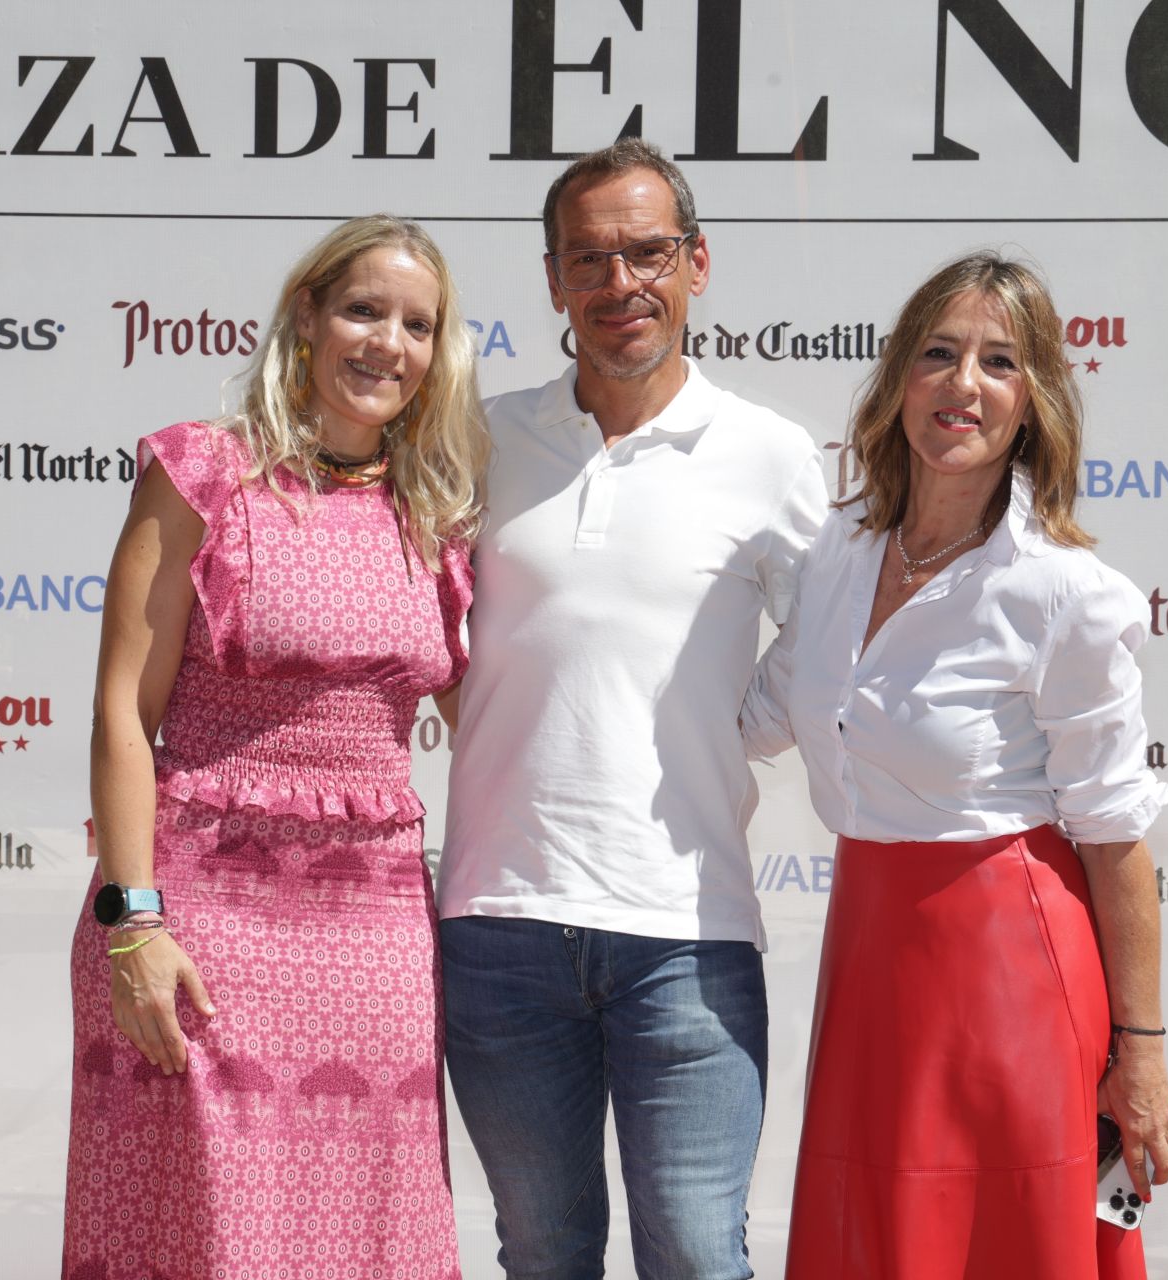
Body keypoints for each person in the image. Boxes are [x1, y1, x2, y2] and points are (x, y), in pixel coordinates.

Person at [740, 251, 1168, 1279]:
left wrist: (1144, 1054)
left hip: (1009, 973)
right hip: (869, 957)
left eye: (999, 361)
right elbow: (748, 717)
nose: (963, 384)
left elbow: (1116, 839)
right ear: (899, 378)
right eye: (939, 354)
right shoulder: (841, 551)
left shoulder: (1068, 593)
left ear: (1034, 404)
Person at [62, 214, 486, 1280]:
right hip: (196, 920)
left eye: (417, 324)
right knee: (204, 1233)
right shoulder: (201, 473)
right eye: (363, 309)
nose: (388, 341)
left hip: (376, 933)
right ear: (307, 316)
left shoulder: (435, 509)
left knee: (365, 1231)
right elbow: (123, 708)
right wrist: (134, 920)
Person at [436, 138, 830, 1279]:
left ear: (697, 263)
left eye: (648, 251)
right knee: (544, 1254)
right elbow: (403, 611)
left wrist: (717, 732)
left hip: (688, 933)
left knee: (700, 1257)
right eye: (590, 259)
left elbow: (824, 646)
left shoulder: (767, 452)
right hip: (500, 925)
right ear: (553, 280)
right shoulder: (479, 436)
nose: (622, 284)